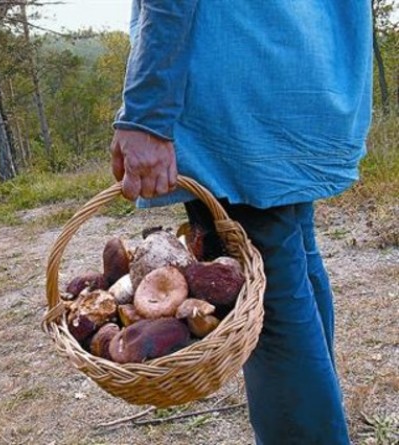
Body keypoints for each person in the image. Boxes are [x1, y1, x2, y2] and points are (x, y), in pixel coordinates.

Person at [110, 2, 372, 444]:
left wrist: (146, 113)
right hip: (294, 67)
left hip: (235, 83)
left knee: (266, 304)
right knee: (290, 270)